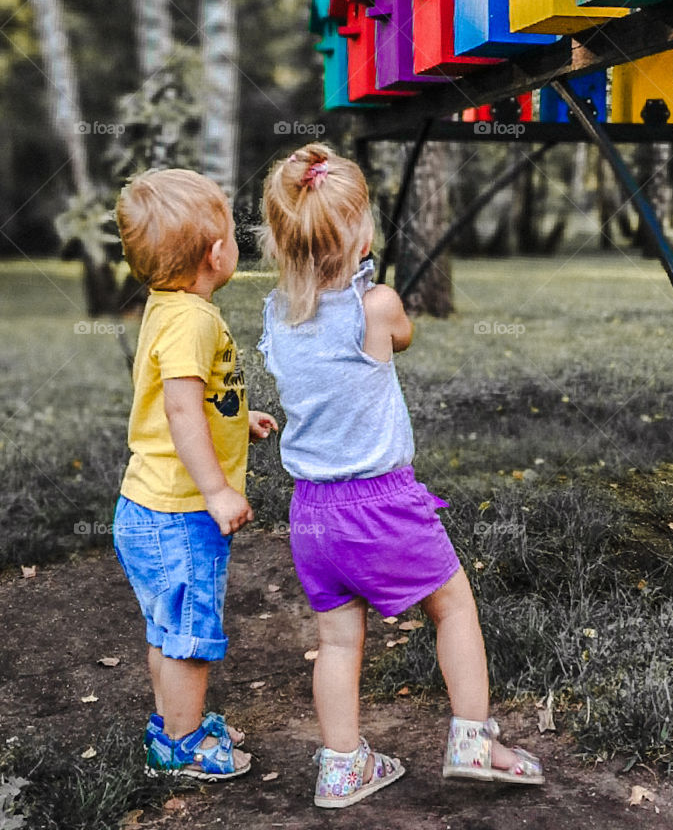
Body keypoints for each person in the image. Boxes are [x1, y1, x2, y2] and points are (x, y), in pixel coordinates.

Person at [258, 144, 544, 810]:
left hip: (311, 515)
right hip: (380, 503)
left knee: (336, 639)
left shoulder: (278, 312)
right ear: (361, 234)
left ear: (281, 240)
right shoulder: (377, 304)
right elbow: (405, 335)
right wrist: (368, 281)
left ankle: (340, 767)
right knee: (453, 607)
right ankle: (473, 740)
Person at [113, 169, 277, 780]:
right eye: (233, 232)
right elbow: (182, 410)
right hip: (180, 512)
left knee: (167, 627)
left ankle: (171, 725)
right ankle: (181, 747)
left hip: (147, 509)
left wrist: (238, 415)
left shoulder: (167, 308)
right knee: (188, 633)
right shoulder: (195, 320)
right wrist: (215, 488)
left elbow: (188, 399)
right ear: (217, 252)